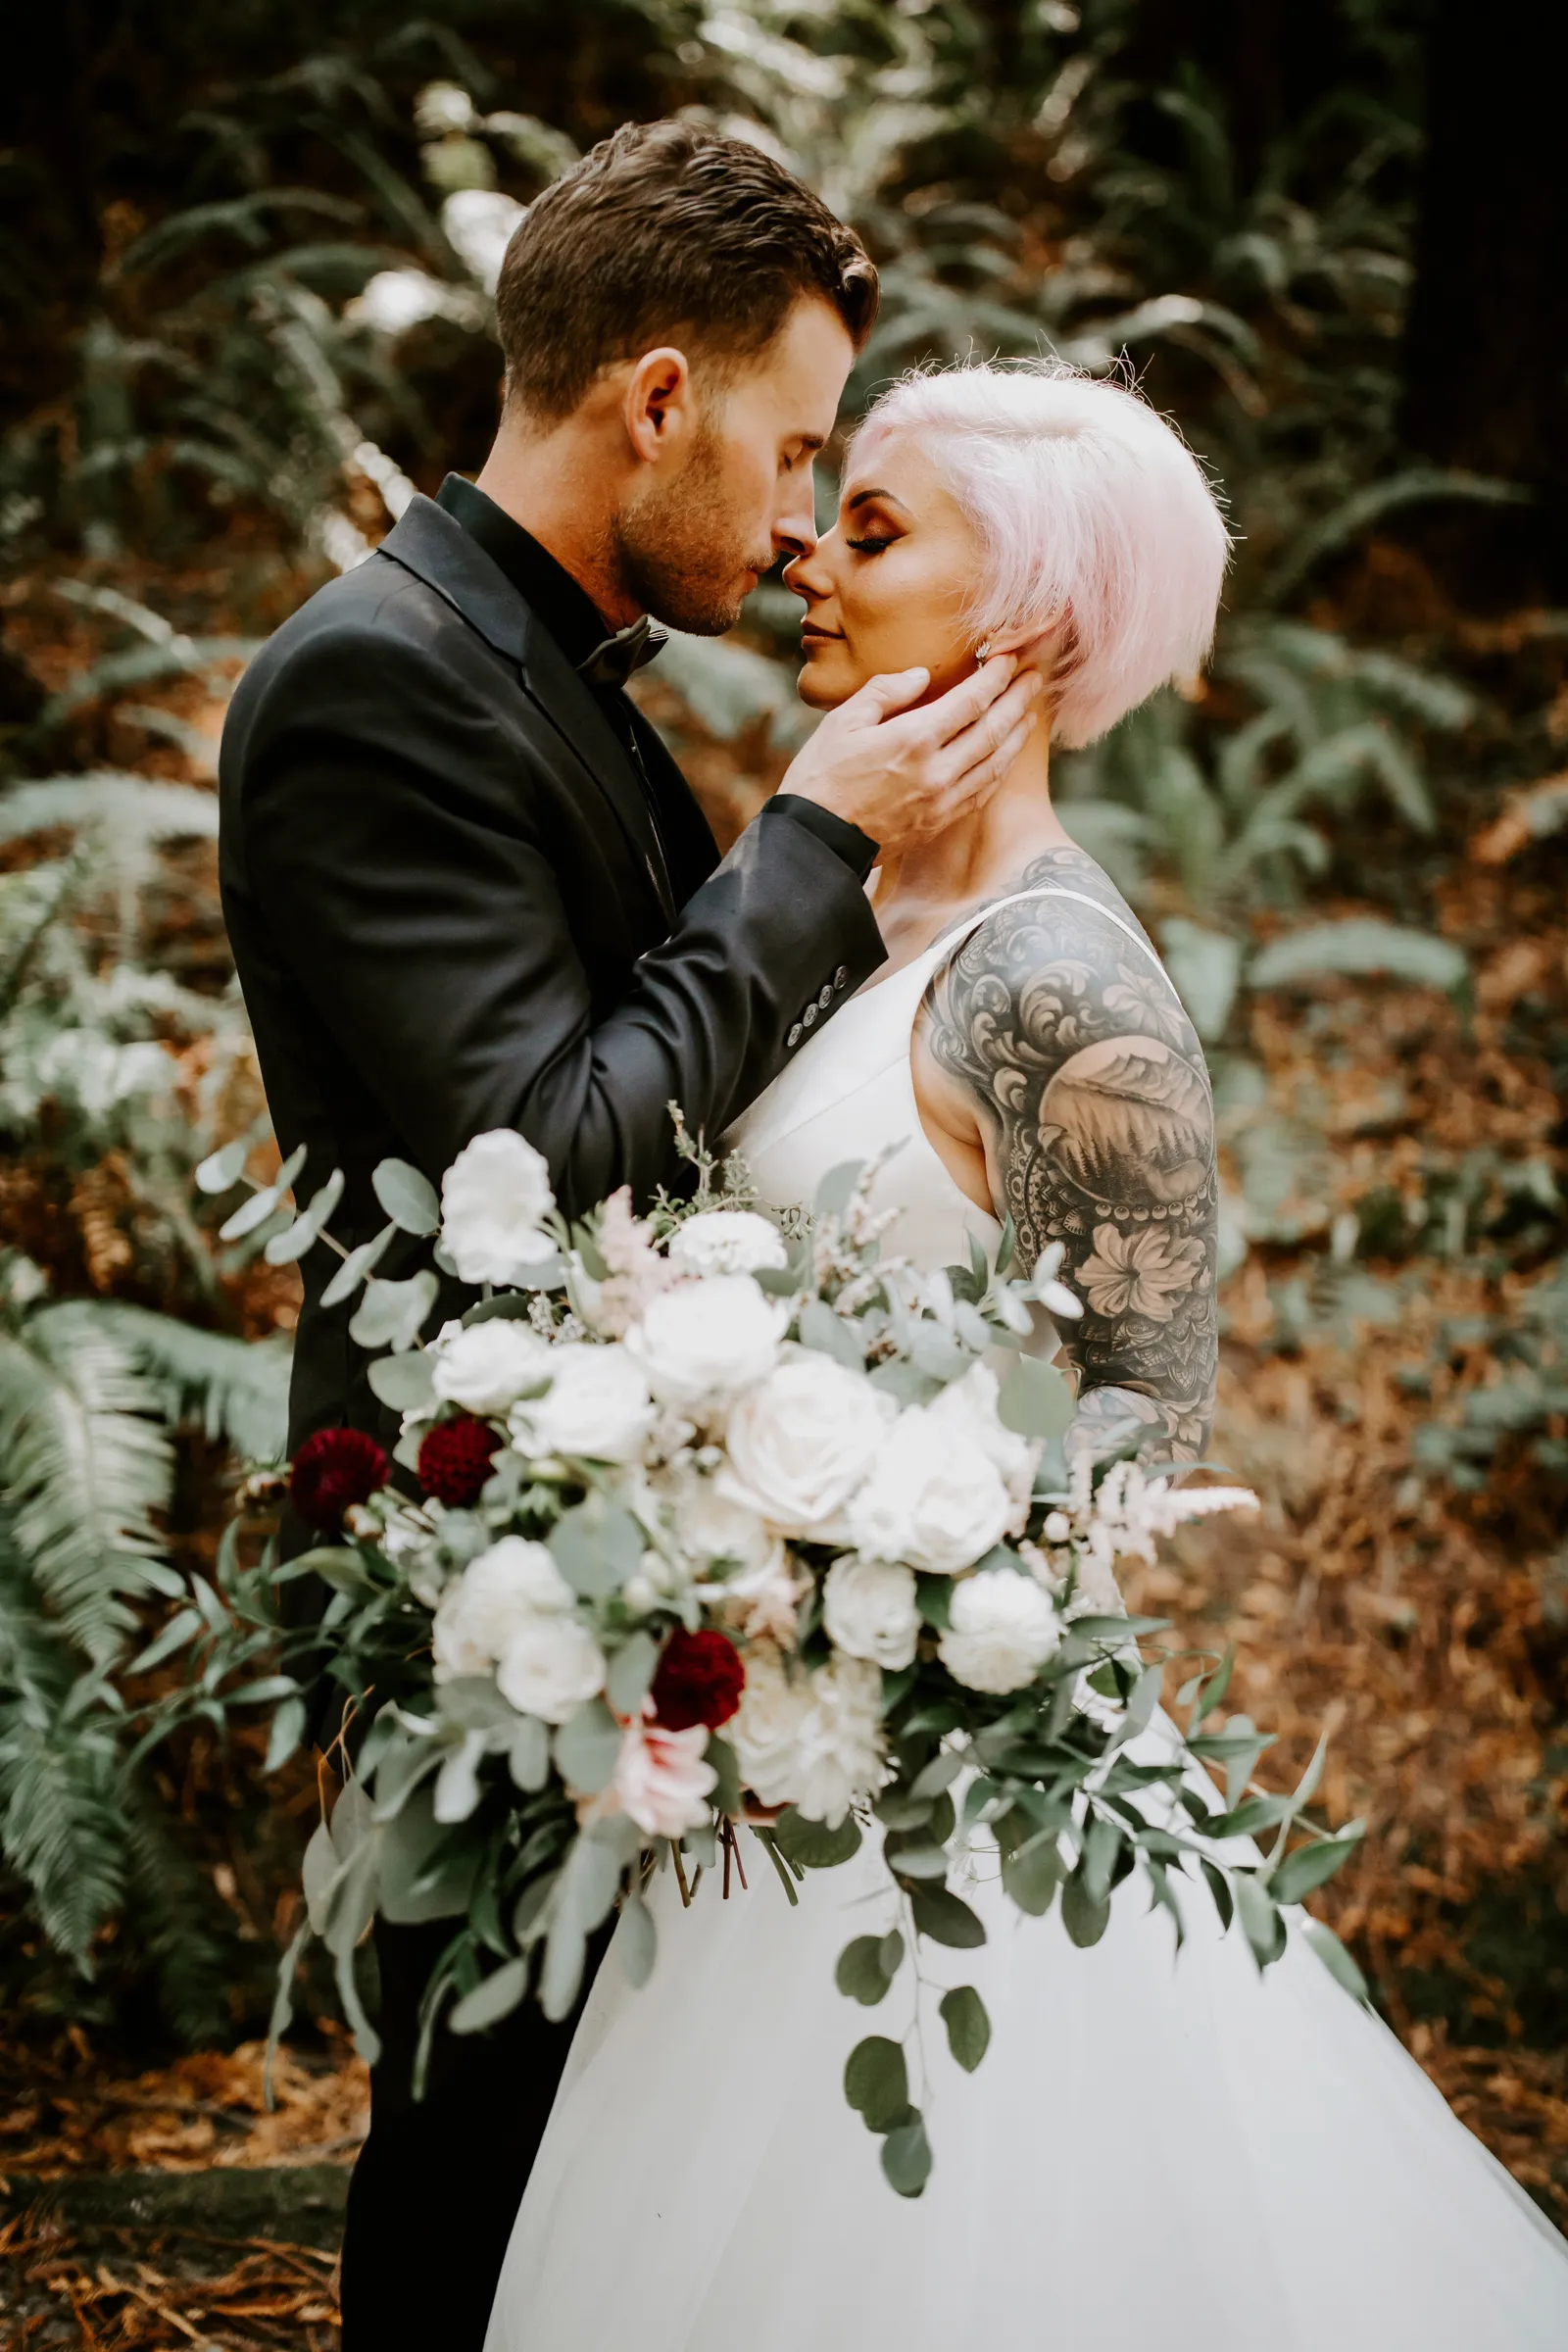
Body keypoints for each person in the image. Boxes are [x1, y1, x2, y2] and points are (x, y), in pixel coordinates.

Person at [483, 361, 1568, 2350]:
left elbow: (1141, 1423)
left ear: (1032, 619)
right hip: (741, 1784)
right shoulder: (814, 896)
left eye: (876, 529)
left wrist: (852, 1583)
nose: (809, 548)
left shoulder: (1057, 978)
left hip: (942, 1803)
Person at [218, 125, 1042, 2350]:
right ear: (653, 399)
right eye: (787, 452)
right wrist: (810, 850)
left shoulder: (542, 665)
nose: (794, 525)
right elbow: (539, 1143)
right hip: (478, 1569)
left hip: (632, 1538)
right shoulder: (373, 680)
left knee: (590, 2176)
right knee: (480, 2166)